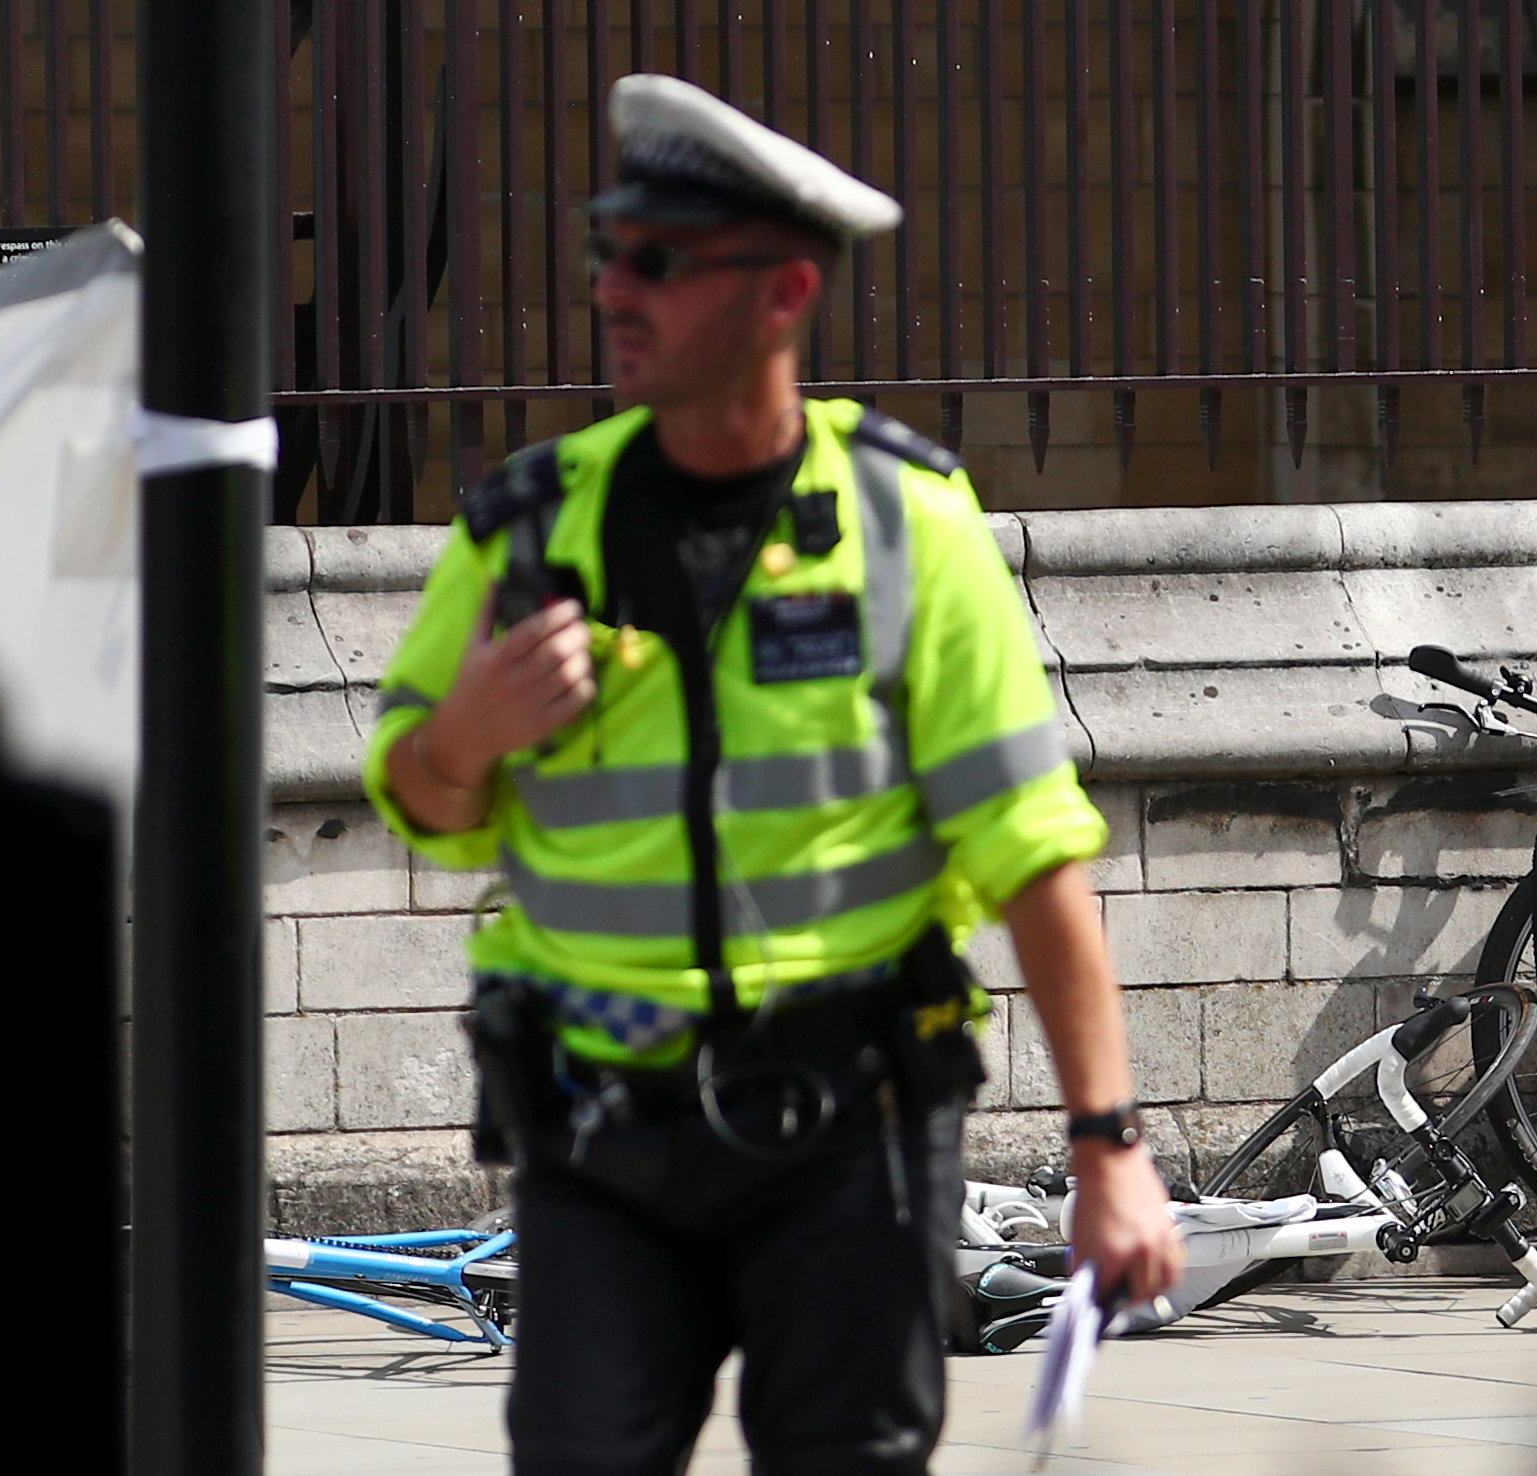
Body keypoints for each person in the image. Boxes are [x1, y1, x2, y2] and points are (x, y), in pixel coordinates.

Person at [363, 73, 1181, 1475]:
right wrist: (463, 739)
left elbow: (1035, 852)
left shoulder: (906, 526)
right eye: (606, 254)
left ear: (785, 292)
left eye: (661, 264)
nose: (616, 290)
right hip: (598, 1149)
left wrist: (1108, 1150)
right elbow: (420, 806)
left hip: (847, 1146)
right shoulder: (529, 525)